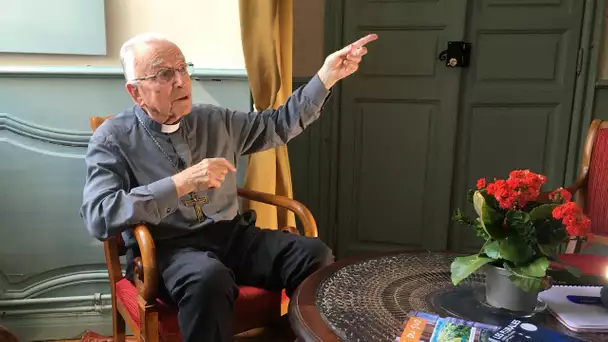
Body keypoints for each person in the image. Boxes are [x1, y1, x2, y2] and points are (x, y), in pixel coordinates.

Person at [80, 32, 377, 341]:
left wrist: (325, 77)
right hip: (168, 247)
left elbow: (277, 125)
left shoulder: (215, 120)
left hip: (232, 235)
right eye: (165, 74)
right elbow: (99, 216)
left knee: (314, 254)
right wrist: (178, 185)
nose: (181, 81)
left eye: (183, 68)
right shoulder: (113, 138)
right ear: (136, 92)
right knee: (208, 278)